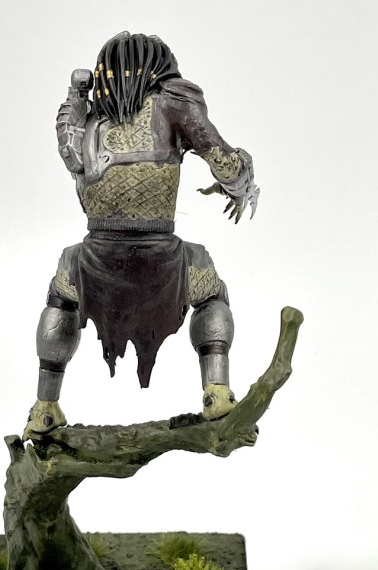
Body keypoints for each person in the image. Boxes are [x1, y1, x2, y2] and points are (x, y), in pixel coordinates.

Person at [24, 31, 259, 439]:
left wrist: (75, 102)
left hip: (91, 262)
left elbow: (73, 160)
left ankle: (45, 405)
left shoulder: (86, 119)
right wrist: (243, 180)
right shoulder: (174, 102)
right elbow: (225, 163)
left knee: (61, 296)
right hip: (164, 262)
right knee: (211, 292)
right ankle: (217, 391)